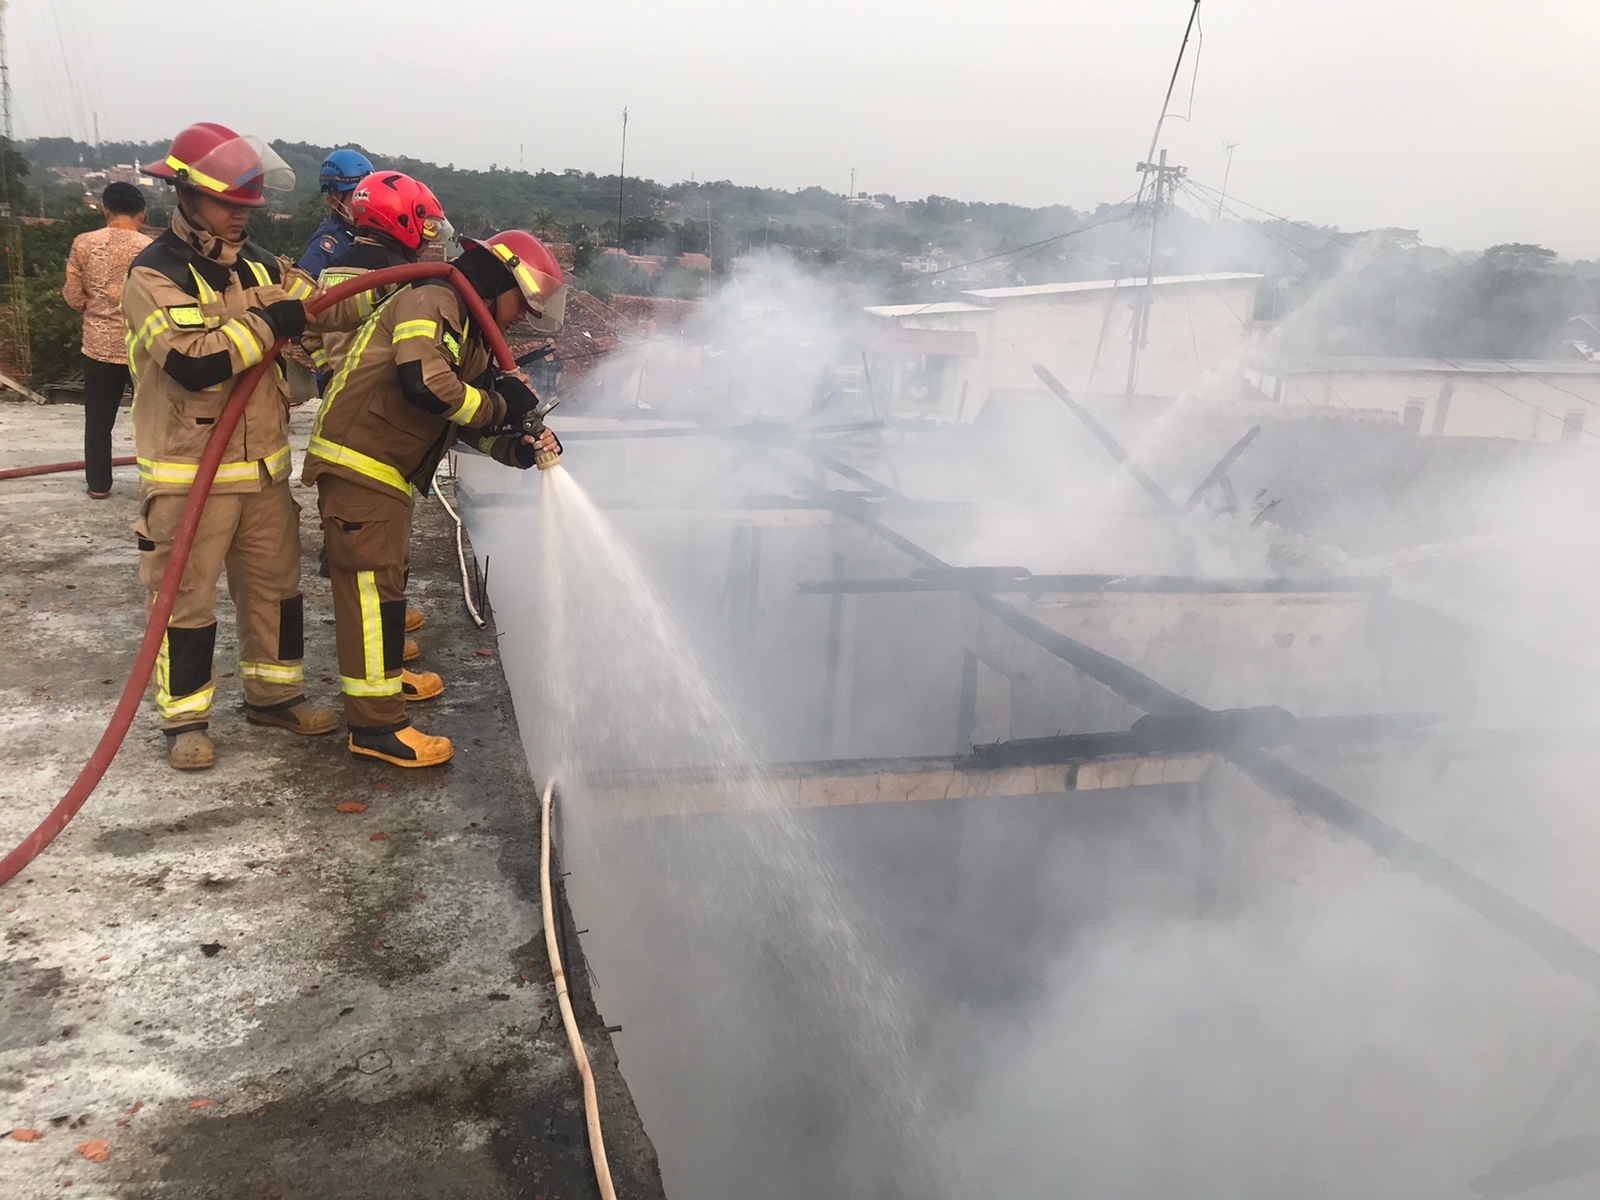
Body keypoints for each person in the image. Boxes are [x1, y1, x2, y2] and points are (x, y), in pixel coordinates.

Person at [304, 229, 566, 768]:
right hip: (362, 461)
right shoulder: (432, 299)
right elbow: (424, 386)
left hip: (387, 469)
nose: (520, 319)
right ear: (500, 280)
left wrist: (513, 446)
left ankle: (386, 678)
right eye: (522, 304)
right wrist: (498, 405)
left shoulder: (465, 325)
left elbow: (457, 419)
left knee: (387, 584)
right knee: (373, 594)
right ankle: (375, 728)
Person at [124, 122, 338, 770]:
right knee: (185, 601)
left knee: (277, 591)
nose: (242, 216)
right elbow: (194, 361)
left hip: (263, 473)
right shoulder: (154, 274)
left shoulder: (257, 262)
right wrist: (271, 321)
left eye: (247, 205)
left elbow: (320, 303)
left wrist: (407, 289)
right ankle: (184, 720)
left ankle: (275, 697)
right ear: (185, 195)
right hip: (191, 475)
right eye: (228, 203)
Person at [302, 170, 455, 659]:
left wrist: (330, 374)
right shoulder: (398, 280)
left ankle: (384, 620)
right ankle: (382, 645)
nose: (431, 235)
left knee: (366, 540)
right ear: (402, 220)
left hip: (345, 404)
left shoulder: (332, 270)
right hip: (377, 414)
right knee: (377, 546)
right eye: (425, 224)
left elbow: (308, 331)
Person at [62, 181, 152, 498]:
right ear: (142, 213)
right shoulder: (151, 249)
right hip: (143, 348)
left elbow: (74, 296)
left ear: (105, 209)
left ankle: (99, 485)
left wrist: (97, 310)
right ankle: (157, 484)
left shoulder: (84, 244)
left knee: (98, 421)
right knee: (152, 420)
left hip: (99, 346)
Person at [296, 148, 374, 281]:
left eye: (367, 195)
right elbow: (304, 286)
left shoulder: (372, 232)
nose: (363, 203)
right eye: (355, 196)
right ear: (334, 202)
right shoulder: (328, 244)